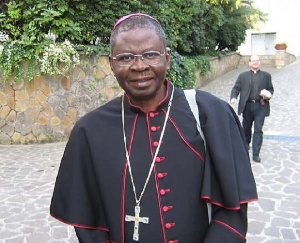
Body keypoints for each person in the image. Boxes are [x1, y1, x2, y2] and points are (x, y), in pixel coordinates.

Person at [50, 13, 257, 243]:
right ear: (111, 64)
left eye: (150, 54)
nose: (139, 66)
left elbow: (232, 210)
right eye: (126, 57)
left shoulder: (212, 115)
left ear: (167, 58)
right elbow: (89, 226)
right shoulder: (89, 131)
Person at [230, 55, 274, 163]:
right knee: (246, 129)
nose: (255, 62)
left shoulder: (266, 76)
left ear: (260, 62)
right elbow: (236, 88)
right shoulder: (243, 76)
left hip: (260, 106)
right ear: (249, 63)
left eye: (257, 60)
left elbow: (270, 90)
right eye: (253, 60)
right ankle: (245, 149)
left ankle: (256, 154)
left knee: (258, 130)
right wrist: (233, 97)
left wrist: (268, 95)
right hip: (247, 106)